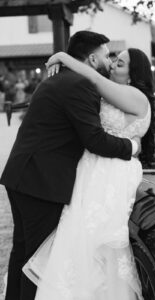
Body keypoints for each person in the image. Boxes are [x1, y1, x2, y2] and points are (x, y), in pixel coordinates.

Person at [0, 31, 141, 300]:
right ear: (91, 58)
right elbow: (95, 139)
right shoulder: (79, 84)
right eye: (106, 55)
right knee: (38, 262)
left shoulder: (58, 79)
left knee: (22, 251)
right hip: (41, 183)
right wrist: (133, 147)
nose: (109, 61)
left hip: (22, 176)